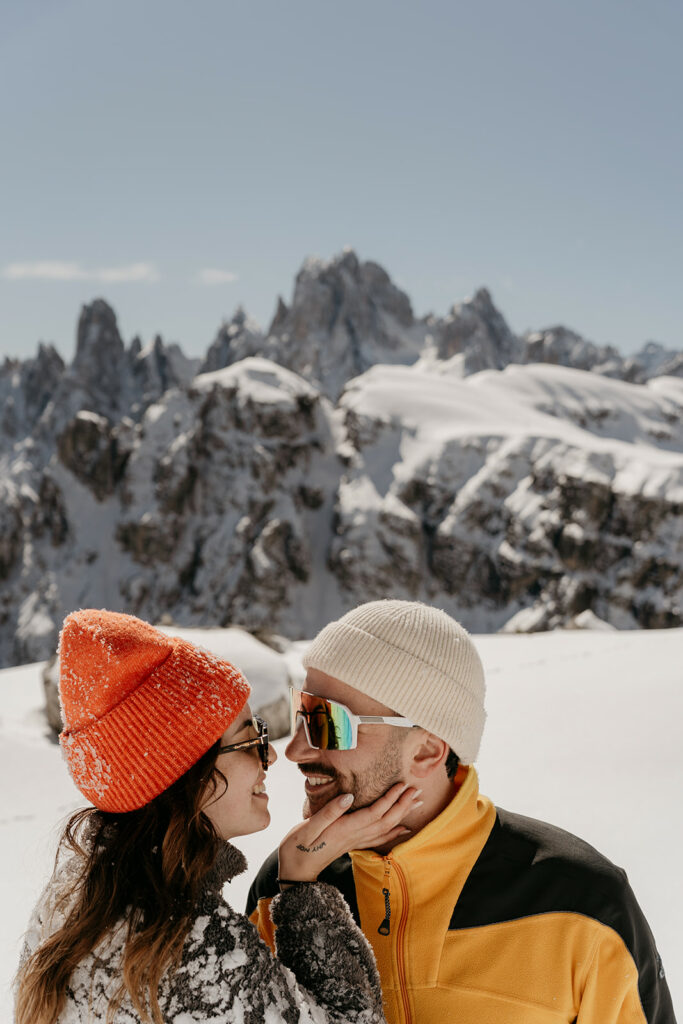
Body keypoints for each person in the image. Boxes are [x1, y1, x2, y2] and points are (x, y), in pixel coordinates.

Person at [248, 599, 677, 1024]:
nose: (296, 750)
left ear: (427, 752)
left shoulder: (583, 903)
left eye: (325, 723)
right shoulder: (286, 892)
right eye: (301, 713)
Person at [15, 608, 422, 1024]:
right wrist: (300, 882)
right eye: (251, 740)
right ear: (189, 774)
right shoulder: (186, 949)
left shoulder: (73, 901)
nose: (272, 756)